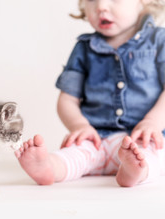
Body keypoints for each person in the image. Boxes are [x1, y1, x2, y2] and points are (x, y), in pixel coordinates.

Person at [15, 0, 165, 187]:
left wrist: (152, 122)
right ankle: (49, 167)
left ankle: (134, 171)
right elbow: (67, 99)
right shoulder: (83, 49)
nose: (101, 7)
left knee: (154, 155)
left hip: (143, 138)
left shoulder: (159, 41)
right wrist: (80, 126)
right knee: (75, 154)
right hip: (96, 138)